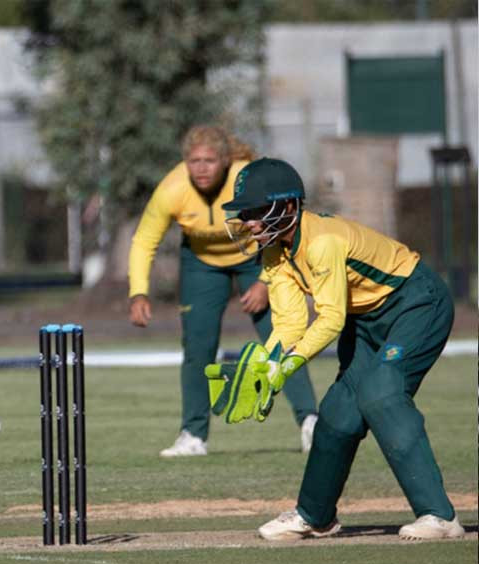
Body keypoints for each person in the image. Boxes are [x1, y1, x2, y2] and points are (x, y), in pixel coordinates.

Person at [218, 158, 464, 541]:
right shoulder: (273, 251)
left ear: (286, 207)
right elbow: (288, 324)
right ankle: (315, 516)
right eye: (244, 212)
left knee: (381, 393)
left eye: (255, 211)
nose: (248, 221)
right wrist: (268, 364)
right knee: (338, 412)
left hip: (416, 302)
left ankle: (440, 516)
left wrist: (290, 365)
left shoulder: (323, 241)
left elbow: (330, 320)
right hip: (364, 319)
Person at [128, 125, 319, 457]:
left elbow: (283, 226)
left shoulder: (247, 176)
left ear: (226, 160)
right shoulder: (173, 188)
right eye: (193, 160)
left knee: (283, 337)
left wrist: (264, 280)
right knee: (197, 348)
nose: (200, 168)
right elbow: (144, 240)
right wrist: (138, 292)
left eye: (209, 160)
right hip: (201, 262)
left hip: (260, 255)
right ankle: (193, 436)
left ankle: (311, 423)